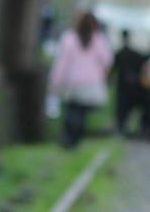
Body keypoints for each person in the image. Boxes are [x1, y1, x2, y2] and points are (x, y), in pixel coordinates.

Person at [48, 10, 113, 148]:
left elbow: (61, 62)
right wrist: (100, 73)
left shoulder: (68, 38)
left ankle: (67, 141)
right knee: (81, 114)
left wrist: (55, 82)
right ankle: (76, 141)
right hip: (91, 84)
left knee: (71, 111)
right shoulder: (99, 39)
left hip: (73, 83)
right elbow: (108, 61)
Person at [109, 29, 144, 136]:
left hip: (122, 84)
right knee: (128, 106)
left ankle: (121, 126)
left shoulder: (119, 53)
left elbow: (113, 69)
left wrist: (110, 81)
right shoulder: (135, 54)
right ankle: (125, 126)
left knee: (121, 106)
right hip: (132, 85)